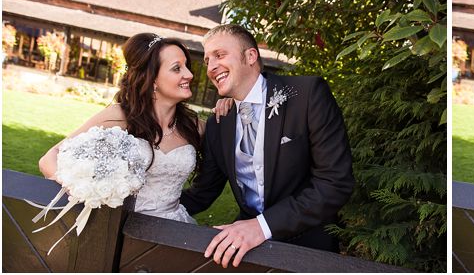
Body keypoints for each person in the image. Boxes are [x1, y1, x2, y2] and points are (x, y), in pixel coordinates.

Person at [179, 24, 354, 268]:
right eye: (208, 60)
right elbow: (204, 192)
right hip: (245, 251)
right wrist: (154, 204)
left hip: (308, 247)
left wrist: (262, 226)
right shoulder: (220, 122)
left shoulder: (306, 95)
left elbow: (335, 183)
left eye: (219, 55)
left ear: (250, 56)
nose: (210, 67)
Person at [39, 32, 203, 224]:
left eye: (186, 67)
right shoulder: (118, 116)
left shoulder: (195, 126)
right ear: (152, 79)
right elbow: (49, 158)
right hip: (119, 226)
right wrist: (83, 187)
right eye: (177, 68)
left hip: (174, 226)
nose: (189, 75)